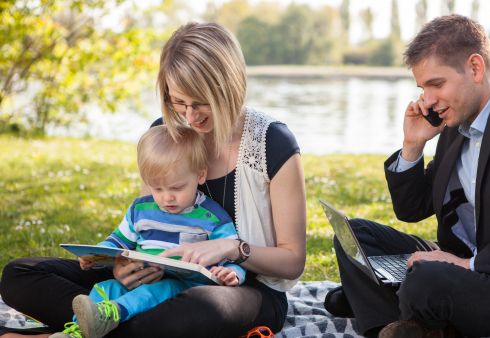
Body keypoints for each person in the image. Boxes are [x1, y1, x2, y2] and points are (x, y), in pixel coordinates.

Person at [0, 22, 307, 338]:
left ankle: (71, 332)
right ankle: (100, 324)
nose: (190, 116)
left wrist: (231, 248)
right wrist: (123, 265)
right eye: (179, 101)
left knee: (197, 309)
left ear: (229, 86)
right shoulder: (165, 134)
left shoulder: (272, 143)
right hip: (154, 283)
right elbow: (146, 220)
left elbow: (292, 261)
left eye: (200, 102)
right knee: (20, 275)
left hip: (241, 289)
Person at [324, 15, 490, 338]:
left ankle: (395, 308)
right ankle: (393, 325)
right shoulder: (454, 127)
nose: (426, 100)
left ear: (475, 68)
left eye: (436, 84)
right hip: (464, 267)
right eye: (422, 88)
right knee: (356, 236)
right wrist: (412, 146)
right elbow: (411, 209)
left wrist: (468, 266)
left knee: (427, 280)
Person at [50, 125, 246, 338]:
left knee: (158, 290)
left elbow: (232, 258)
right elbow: (119, 240)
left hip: (182, 289)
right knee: (103, 289)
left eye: (177, 188)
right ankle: (78, 332)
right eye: (157, 189)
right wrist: (96, 254)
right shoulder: (140, 210)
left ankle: (111, 316)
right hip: (141, 279)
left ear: (200, 175)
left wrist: (232, 274)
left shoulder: (214, 218)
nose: (166, 198)